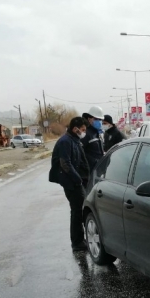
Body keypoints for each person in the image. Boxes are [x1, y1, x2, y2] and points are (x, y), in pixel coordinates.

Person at [48, 117, 90, 251]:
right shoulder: (65, 141)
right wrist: (78, 180)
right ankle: (77, 242)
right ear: (75, 129)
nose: (84, 132)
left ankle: (80, 239)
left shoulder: (74, 140)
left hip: (76, 181)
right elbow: (65, 163)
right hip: (71, 183)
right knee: (77, 211)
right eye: (83, 129)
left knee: (79, 210)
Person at [81, 106, 105, 171]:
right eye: (96, 119)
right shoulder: (86, 133)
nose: (99, 121)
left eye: (100, 119)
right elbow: (80, 153)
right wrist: (94, 161)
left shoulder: (97, 133)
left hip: (98, 169)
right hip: (89, 170)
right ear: (89, 119)